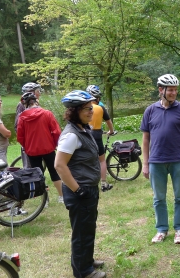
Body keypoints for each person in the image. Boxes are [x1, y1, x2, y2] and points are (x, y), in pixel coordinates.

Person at [54, 90, 106, 278]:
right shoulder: (71, 135)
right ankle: (83, 272)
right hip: (80, 191)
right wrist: (78, 189)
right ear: (74, 111)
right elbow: (59, 165)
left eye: (91, 108)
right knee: (81, 232)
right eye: (86, 109)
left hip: (88, 188)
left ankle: (87, 260)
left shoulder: (83, 129)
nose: (91, 111)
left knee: (88, 227)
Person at [140, 74, 180, 244]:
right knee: (159, 198)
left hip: (179, 160)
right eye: (170, 90)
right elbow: (145, 139)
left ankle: (179, 230)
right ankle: (161, 230)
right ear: (161, 90)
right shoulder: (150, 111)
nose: (174, 93)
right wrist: (145, 163)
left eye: (176, 90)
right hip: (156, 161)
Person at [17, 92, 64, 203]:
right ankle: (62, 197)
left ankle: (45, 200)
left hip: (32, 150)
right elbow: (56, 131)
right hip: (48, 148)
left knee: (38, 175)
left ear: (25, 104)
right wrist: (55, 144)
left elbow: (20, 136)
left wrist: (26, 146)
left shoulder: (22, 117)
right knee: (54, 172)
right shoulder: (47, 113)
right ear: (36, 101)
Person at [86, 85, 115, 192]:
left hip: (86, 135)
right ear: (97, 98)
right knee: (102, 160)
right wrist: (111, 131)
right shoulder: (100, 108)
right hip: (97, 134)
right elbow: (109, 122)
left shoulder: (83, 108)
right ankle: (103, 183)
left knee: (87, 159)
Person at [15, 82, 42, 168]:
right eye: (38, 91)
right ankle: (28, 181)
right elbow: (17, 124)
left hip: (37, 139)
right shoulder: (21, 105)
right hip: (29, 141)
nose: (39, 93)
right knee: (29, 166)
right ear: (31, 92)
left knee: (37, 165)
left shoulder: (36, 103)